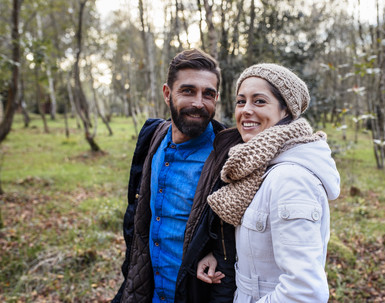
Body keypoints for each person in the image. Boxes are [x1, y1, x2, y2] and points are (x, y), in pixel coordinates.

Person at [197, 63, 341, 302]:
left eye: (260, 101)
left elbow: (304, 292)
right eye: (241, 101)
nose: (246, 110)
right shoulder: (258, 169)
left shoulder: (290, 180)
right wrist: (218, 256)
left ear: (286, 110)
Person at [112, 49, 236, 303]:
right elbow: (136, 215)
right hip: (147, 291)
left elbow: (235, 238)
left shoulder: (229, 155)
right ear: (167, 93)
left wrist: (213, 252)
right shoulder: (152, 137)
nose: (199, 103)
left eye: (208, 94)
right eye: (188, 91)